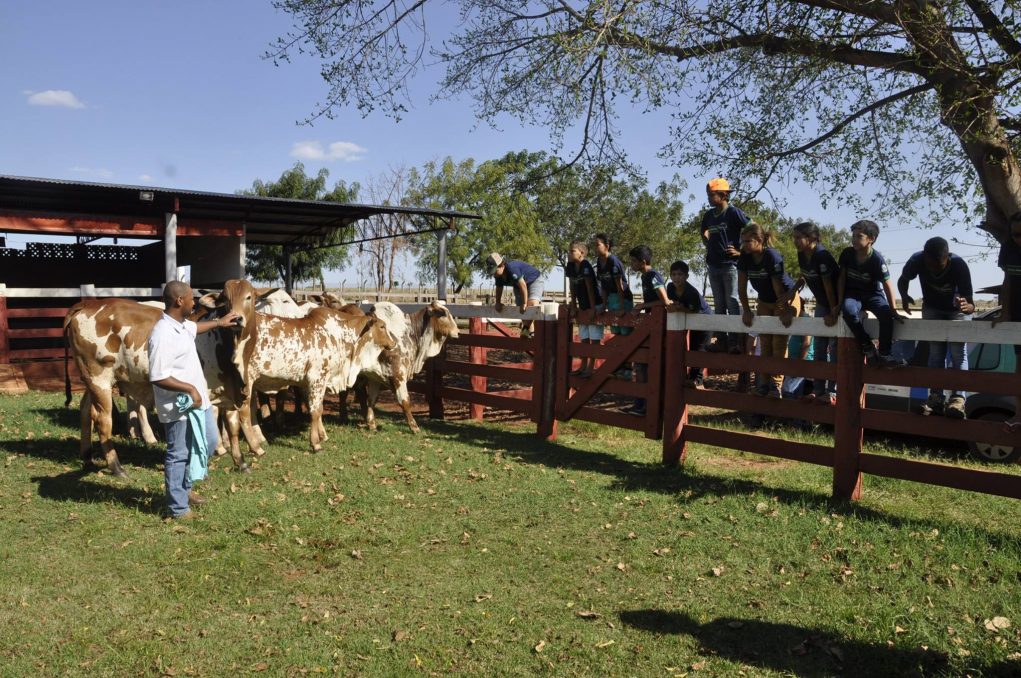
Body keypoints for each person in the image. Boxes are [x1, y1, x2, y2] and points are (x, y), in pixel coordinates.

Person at [148, 280, 239, 521]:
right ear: (179, 301)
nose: (194, 303)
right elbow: (158, 376)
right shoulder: (162, 334)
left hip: (198, 402)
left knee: (209, 442)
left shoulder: (180, 325)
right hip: (179, 405)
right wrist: (190, 389)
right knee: (178, 452)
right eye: (190, 299)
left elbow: (195, 328)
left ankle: (185, 488)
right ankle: (178, 507)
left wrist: (220, 322)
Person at [897, 236, 975, 418]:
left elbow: (971, 304)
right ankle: (936, 398)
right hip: (932, 307)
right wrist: (904, 296)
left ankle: (957, 400)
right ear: (925, 257)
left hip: (956, 310)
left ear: (947, 258)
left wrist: (965, 306)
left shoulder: (959, 266)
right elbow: (903, 280)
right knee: (936, 351)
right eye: (930, 265)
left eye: (938, 266)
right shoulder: (916, 260)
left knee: (958, 352)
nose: (934, 269)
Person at [737, 222, 801, 398]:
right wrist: (747, 310)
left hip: (785, 298)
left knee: (779, 342)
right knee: (764, 342)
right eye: (742, 241)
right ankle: (763, 384)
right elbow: (741, 287)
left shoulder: (772, 256)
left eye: (747, 241)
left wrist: (785, 310)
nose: (744, 245)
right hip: (765, 301)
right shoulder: (744, 256)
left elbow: (778, 288)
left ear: (759, 240)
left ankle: (776, 385)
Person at [837, 220, 905, 367]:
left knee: (886, 315)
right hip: (853, 294)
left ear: (871, 239)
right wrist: (839, 302)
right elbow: (841, 279)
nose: (854, 239)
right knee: (848, 311)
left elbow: (887, 284)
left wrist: (893, 309)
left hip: (873, 294)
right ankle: (867, 345)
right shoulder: (847, 254)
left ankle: (885, 353)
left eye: (859, 236)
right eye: (853, 236)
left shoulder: (877, 259)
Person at [790, 221, 840, 405]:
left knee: (834, 348)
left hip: (833, 303)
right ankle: (818, 391)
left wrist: (833, 311)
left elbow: (829, 286)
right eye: (794, 237)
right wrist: (793, 290)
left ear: (811, 238)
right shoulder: (802, 254)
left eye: (798, 237)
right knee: (819, 346)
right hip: (821, 303)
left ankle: (832, 392)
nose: (794, 241)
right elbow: (805, 274)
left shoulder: (822, 256)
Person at [700, 177, 750, 354]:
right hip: (713, 266)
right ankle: (721, 341)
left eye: (711, 194)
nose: (708, 197)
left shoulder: (734, 213)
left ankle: (735, 342)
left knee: (732, 301)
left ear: (723, 195)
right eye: (708, 194)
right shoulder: (708, 215)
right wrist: (709, 246)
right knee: (719, 304)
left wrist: (741, 250)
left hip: (730, 265)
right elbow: (703, 232)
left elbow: (753, 229)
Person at [626, 245, 670, 415]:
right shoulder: (645, 276)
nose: (631, 264)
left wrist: (643, 305)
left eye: (633, 261)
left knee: (647, 365)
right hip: (651, 326)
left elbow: (665, 301)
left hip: (658, 328)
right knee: (641, 365)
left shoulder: (652, 276)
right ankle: (640, 404)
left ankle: (646, 406)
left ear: (643, 262)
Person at [993, 212, 1021, 433]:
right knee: (1019, 368)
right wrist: (1005, 312)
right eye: (1014, 234)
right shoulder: (1009, 247)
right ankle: (1019, 415)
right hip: (1018, 313)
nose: (1018, 238)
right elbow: (1008, 280)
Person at [666, 260, 712, 388]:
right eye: (674, 274)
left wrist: (679, 308)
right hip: (690, 321)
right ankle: (690, 378)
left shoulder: (691, 293)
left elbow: (694, 310)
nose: (676, 277)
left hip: (705, 320)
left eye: (680, 274)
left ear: (686, 276)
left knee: (700, 349)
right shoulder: (670, 287)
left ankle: (698, 380)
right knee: (691, 348)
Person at [565, 241, 603, 376]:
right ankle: (583, 365)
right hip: (582, 305)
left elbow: (590, 288)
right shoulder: (569, 266)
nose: (569, 254)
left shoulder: (586, 265)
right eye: (569, 251)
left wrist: (593, 308)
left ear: (581, 253)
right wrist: (574, 306)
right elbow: (572, 287)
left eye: (572, 251)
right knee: (584, 336)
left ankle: (591, 367)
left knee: (594, 336)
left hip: (594, 303)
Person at [487, 252, 542, 338]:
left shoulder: (512, 268)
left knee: (532, 304)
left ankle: (525, 330)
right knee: (521, 311)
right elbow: (499, 288)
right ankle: (530, 333)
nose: (494, 274)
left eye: (495, 270)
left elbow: (523, 285)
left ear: (501, 266)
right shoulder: (498, 276)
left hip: (533, 280)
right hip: (518, 286)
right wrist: (498, 302)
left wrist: (524, 303)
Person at [594, 233, 633, 337]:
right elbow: (603, 284)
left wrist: (622, 307)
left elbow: (620, 286)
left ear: (607, 246)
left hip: (623, 299)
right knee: (615, 331)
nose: (595, 248)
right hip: (611, 300)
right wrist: (604, 305)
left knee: (625, 332)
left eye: (598, 245)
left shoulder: (613, 262)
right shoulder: (599, 261)